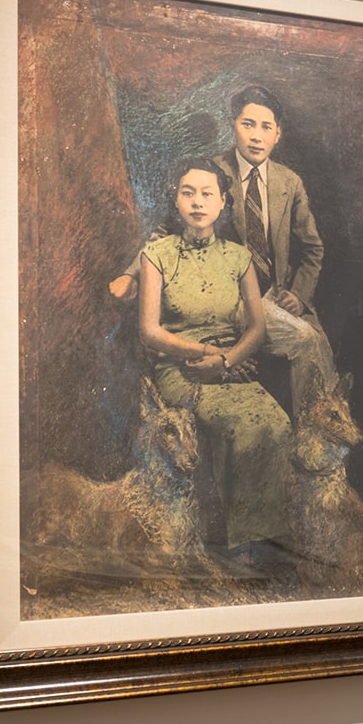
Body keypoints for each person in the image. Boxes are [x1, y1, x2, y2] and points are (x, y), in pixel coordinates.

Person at [112, 85, 336, 407]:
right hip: (229, 296)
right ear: (233, 125)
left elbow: (313, 247)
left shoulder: (289, 182)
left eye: (266, 127)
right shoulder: (211, 174)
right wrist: (131, 274)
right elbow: (165, 229)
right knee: (306, 339)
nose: (256, 137)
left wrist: (299, 294)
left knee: (315, 344)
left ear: (278, 134)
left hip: (275, 296)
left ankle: (316, 434)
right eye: (247, 124)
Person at [137, 158, 292, 561]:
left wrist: (225, 361)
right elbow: (150, 332)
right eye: (188, 192)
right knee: (237, 424)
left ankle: (268, 538)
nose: (197, 202)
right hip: (180, 367)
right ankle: (241, 546)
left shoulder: (238, 257)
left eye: (207, 194)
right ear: (175, 199)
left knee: (275, 422)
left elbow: (257, 329)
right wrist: (207, 354)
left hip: (228, 363)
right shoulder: (156, 255)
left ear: (223, 203)